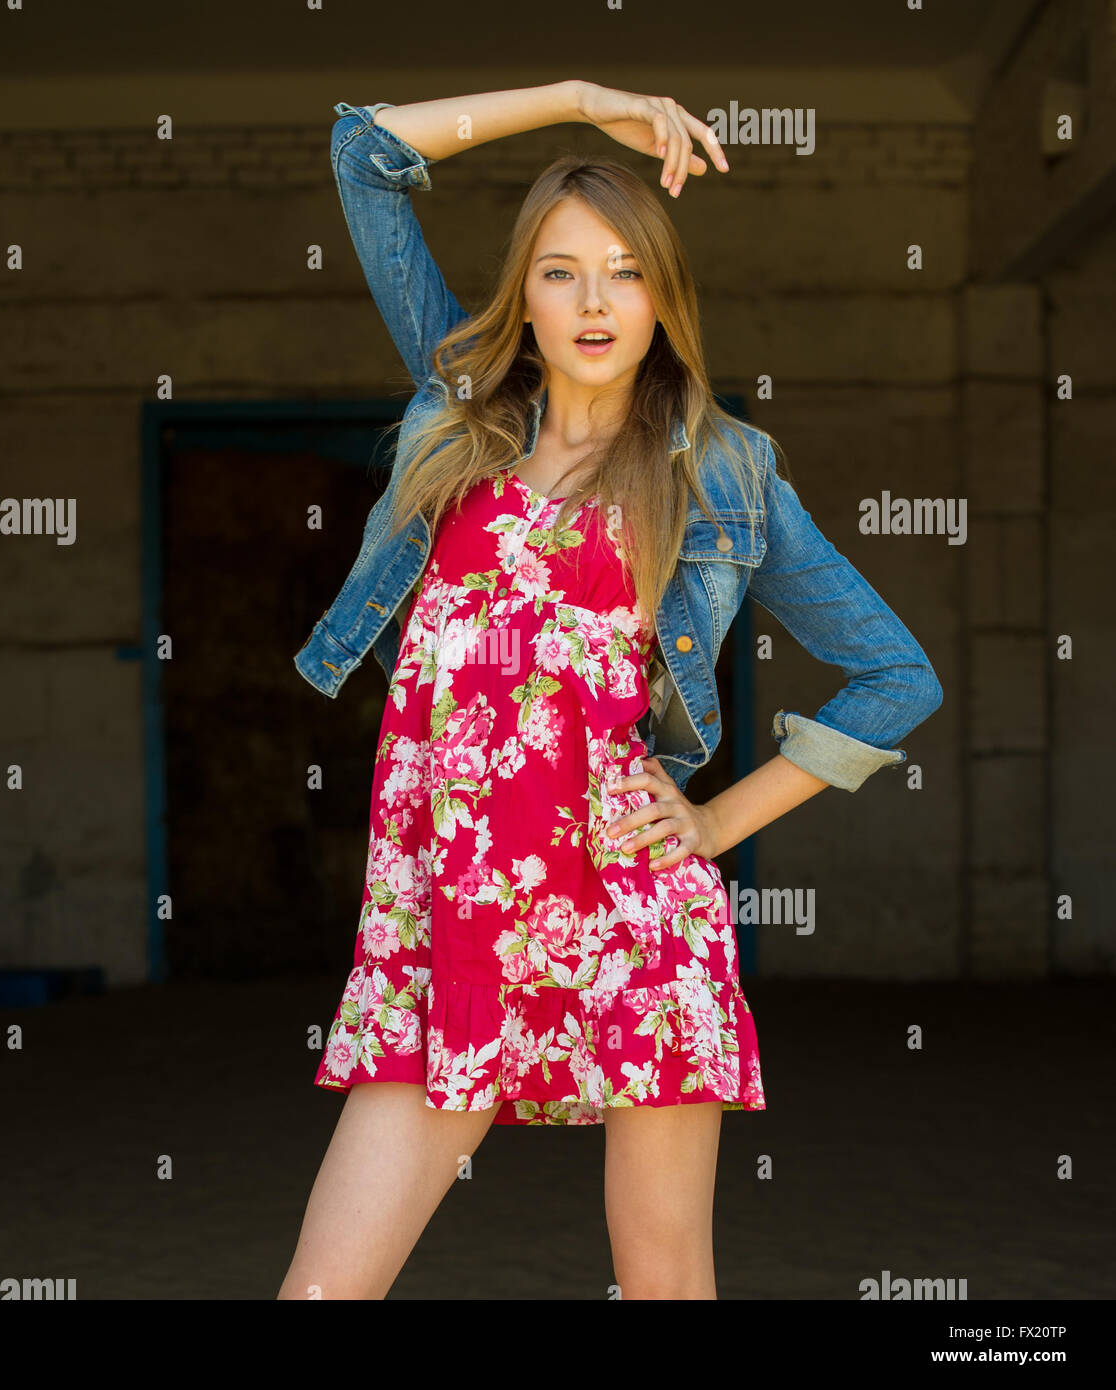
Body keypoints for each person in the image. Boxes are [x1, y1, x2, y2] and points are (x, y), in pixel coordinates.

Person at [282, 81, 941, 1300]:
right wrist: (584, 101)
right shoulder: (459, 410)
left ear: (664, 297)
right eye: (560, 271)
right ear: (520, 295)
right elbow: (362, 152)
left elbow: (897, 676)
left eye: (626, 272)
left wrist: (711, 824)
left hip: (636, 922)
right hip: (447, 927)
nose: (593, 303)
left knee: (664, 1287)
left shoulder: (723, 470)